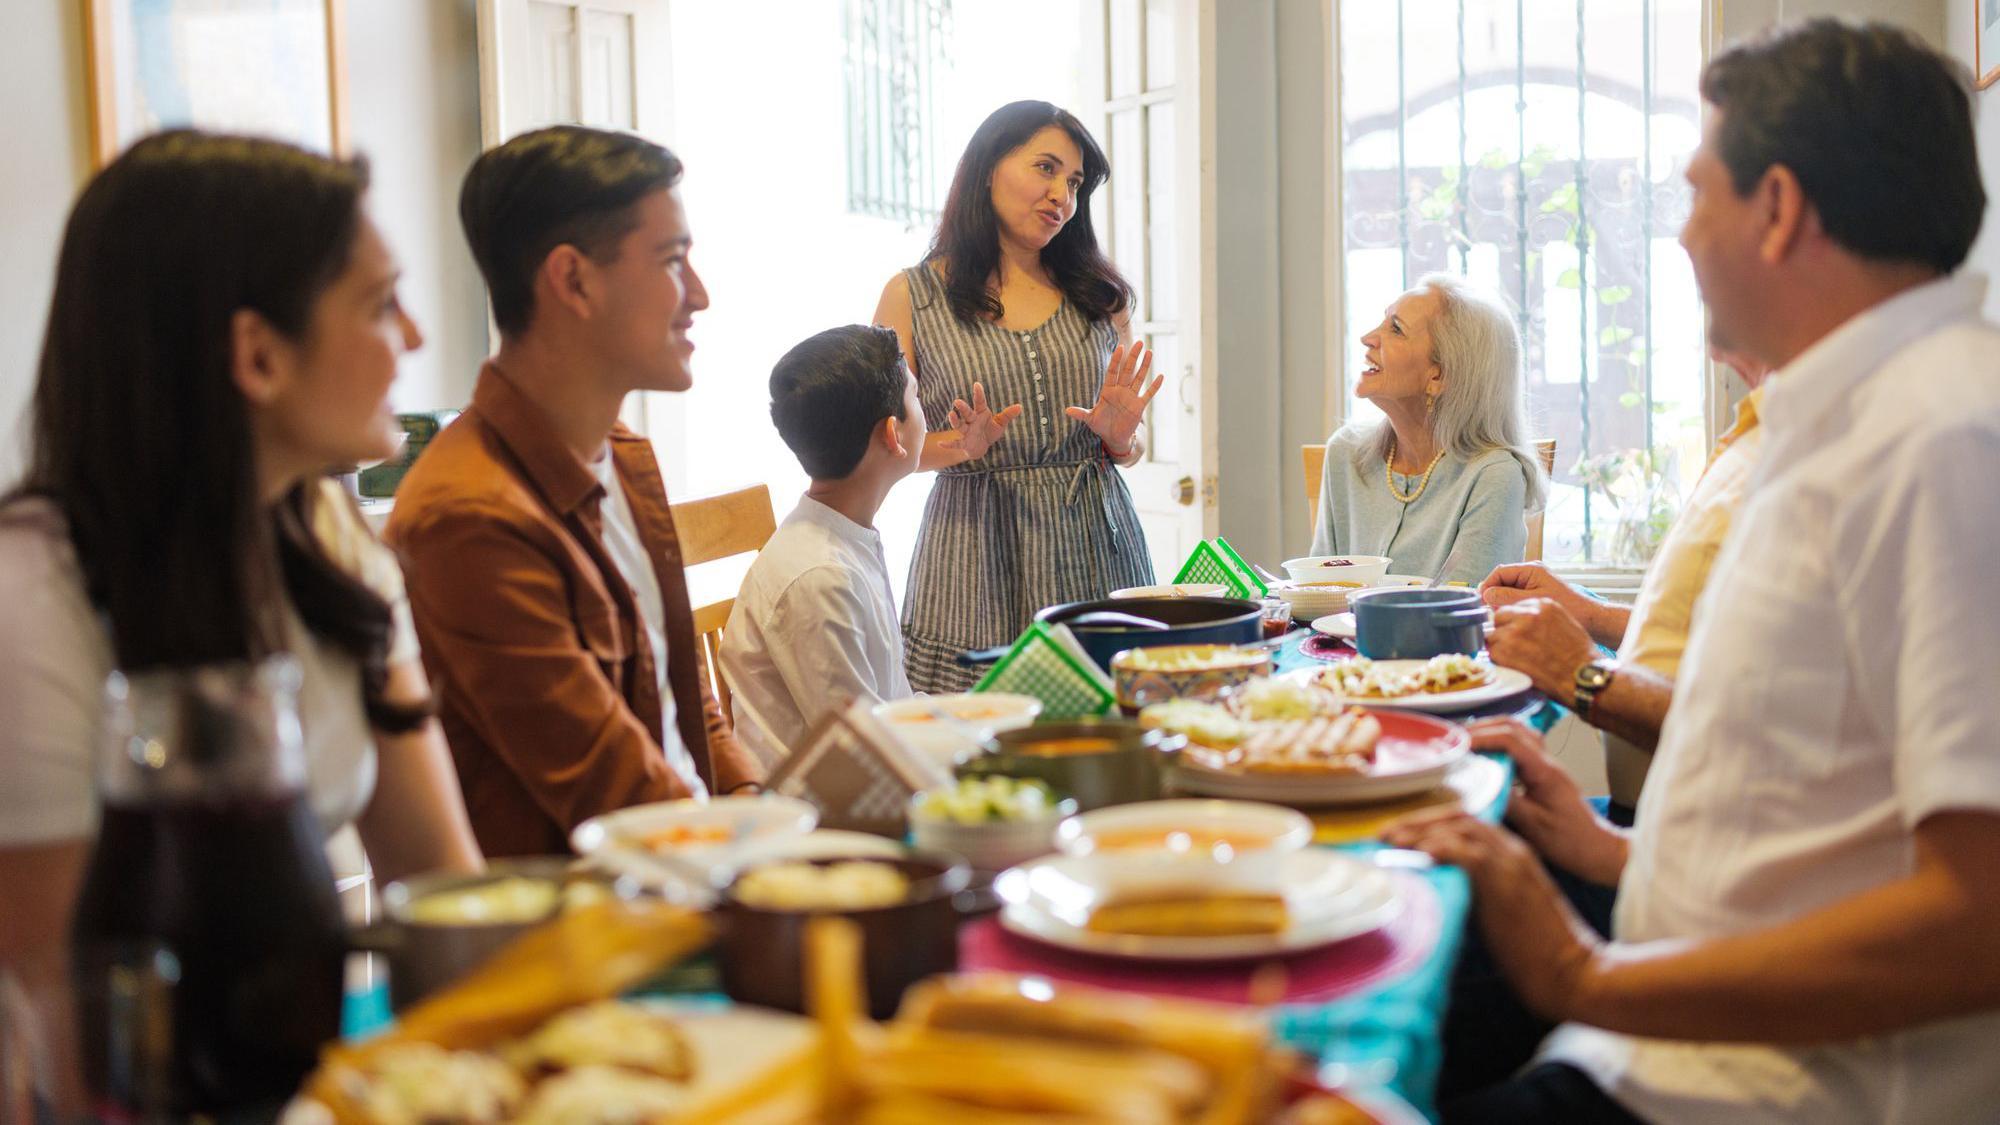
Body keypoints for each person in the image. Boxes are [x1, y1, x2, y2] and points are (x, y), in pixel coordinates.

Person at [1386, 19, 2000, 1123]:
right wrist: (1607, 845)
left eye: (1694, 193)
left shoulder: (1942, 438)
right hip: (1661, 1037)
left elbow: (1978, 914)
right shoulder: (1850, 420)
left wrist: (1581, 974)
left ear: (1776, 210)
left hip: (1745, 1088)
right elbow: (1822, 820)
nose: (1676, 235)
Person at [0, 130, 483, 1107]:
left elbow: (442, 894)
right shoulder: (30, 601)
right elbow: (79, 1039)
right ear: (258, 354)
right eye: (380, 303)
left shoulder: (333, 542)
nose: (418, 339)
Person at [386, 126, 761, 858]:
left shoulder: (621, 453)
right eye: (673, 260)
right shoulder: (470, 516)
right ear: (573, 280)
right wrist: (766, 857)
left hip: (693, 866)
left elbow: (687, 697)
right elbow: (615, 793)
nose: (701, 296)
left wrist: (753, 800)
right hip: (587, 929)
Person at [874, 100, 1163, 695]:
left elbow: (1129, 444)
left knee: (1116, 737)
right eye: (1046, 168)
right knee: (980, 751)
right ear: (987, 168)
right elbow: (879, 447)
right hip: (974, 560)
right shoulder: (912, 295)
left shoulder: (1100, 296)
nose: (1062, 194)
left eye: (1075, 182)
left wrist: (1120, 437)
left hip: (1096, 548)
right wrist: (959, 446)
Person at [1478, 344, 1774, 812]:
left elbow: (1773, 726)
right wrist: (1590, 615)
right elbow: (1730, 646)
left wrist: (1583, 675)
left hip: (1682, 843)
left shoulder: (1830, 450)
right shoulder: (1764, 428)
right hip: (1648, 827)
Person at [721, 325, 923, 763]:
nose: (925, 409)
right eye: (917, 398)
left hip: (867, 779)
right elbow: (863, 755)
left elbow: (889, 710)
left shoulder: (844, 538)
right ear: (893, 434)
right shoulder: (820, 576)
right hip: (817, 815)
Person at [1310, 274, 1545, 585]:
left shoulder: (1494, 476)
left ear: (1440, 374)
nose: (1368, 337)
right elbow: (1316, 589)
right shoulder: (1345, 452)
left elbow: (1465, 613)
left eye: (1396, 329)